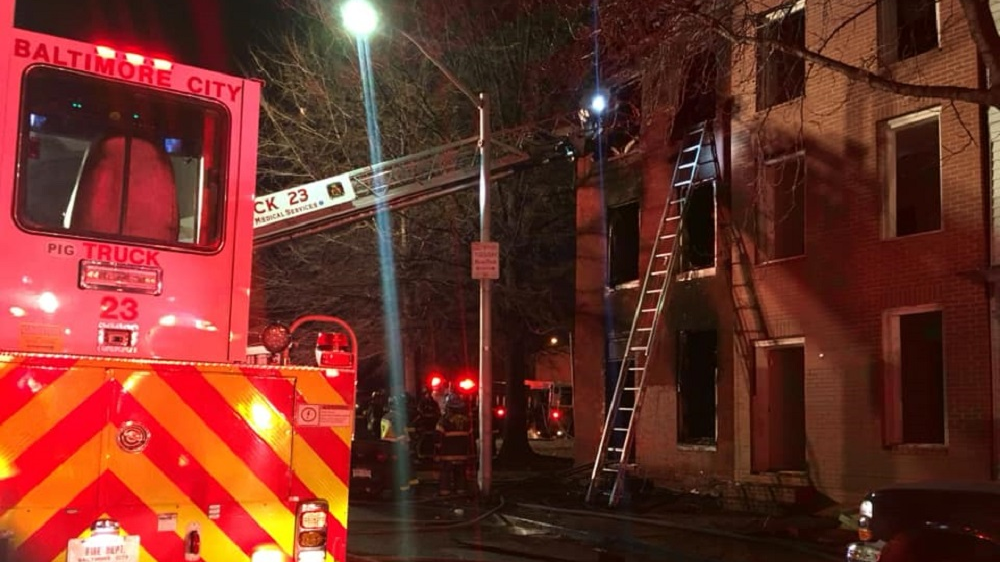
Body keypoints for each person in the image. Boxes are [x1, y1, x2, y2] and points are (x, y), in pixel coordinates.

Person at [435, 392, 473, 496]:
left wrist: (437, 453)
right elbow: (470, 439)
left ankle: (445, 493)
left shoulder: (444, 421)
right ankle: (461, 492)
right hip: (463, 454)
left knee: (445, 475)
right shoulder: (467, 421)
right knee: (461, 474)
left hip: (447, 455)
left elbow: (438, 439)